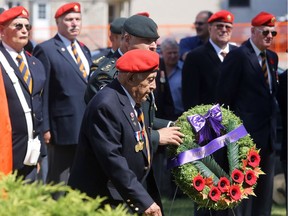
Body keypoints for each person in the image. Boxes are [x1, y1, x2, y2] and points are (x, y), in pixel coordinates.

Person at [68, 49, 163, 216]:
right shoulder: (106, 106)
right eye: (150, 80)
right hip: (101, 200)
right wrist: (144, 200)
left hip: (121, 194)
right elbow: (113, 160)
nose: (154, 86)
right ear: (131, 78)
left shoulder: (131, 99)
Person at [216, 11, 279, 216]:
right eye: (265, 32)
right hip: (244, 138)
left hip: (267, 136)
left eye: (273, 33)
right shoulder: (239, 55)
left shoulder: (272, 57)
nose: (269, 36)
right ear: (253, 31)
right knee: (242, 192)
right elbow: (225, 96)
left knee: (263, 193)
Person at [33, 2, 92, 189]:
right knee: (59, 179)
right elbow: (43, 91)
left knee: (81, 177)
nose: (74, 23)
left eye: (77, 19)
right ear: (58, 22)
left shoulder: (84, 49)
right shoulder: (47, 49)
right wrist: (45, 127)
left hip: (85, 124)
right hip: (62, 128)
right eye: (68, 20)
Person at [0, 6, 46, 181]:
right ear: (2, 31)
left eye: (28, 26)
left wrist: (40, 151)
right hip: (6, 149)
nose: (24, 30)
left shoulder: (36, 64)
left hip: (30, 153)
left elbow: (38, 108)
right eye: (18, 26)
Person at [182, 10, 237, 111]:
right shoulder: (195, 57)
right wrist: (199, 125)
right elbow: (190, 98)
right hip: (209, 121)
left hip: (237, 122)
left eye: (228, 27)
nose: (224, 30)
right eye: (219, 26)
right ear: (210, 28)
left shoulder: (239, 54)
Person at [155, 38, 184, 121]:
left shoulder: (184, 69)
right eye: (169, 53)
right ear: (162, 53)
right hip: (161, 116)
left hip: (181, 114)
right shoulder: (156, 70)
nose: (173, 56)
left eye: (175, 52)